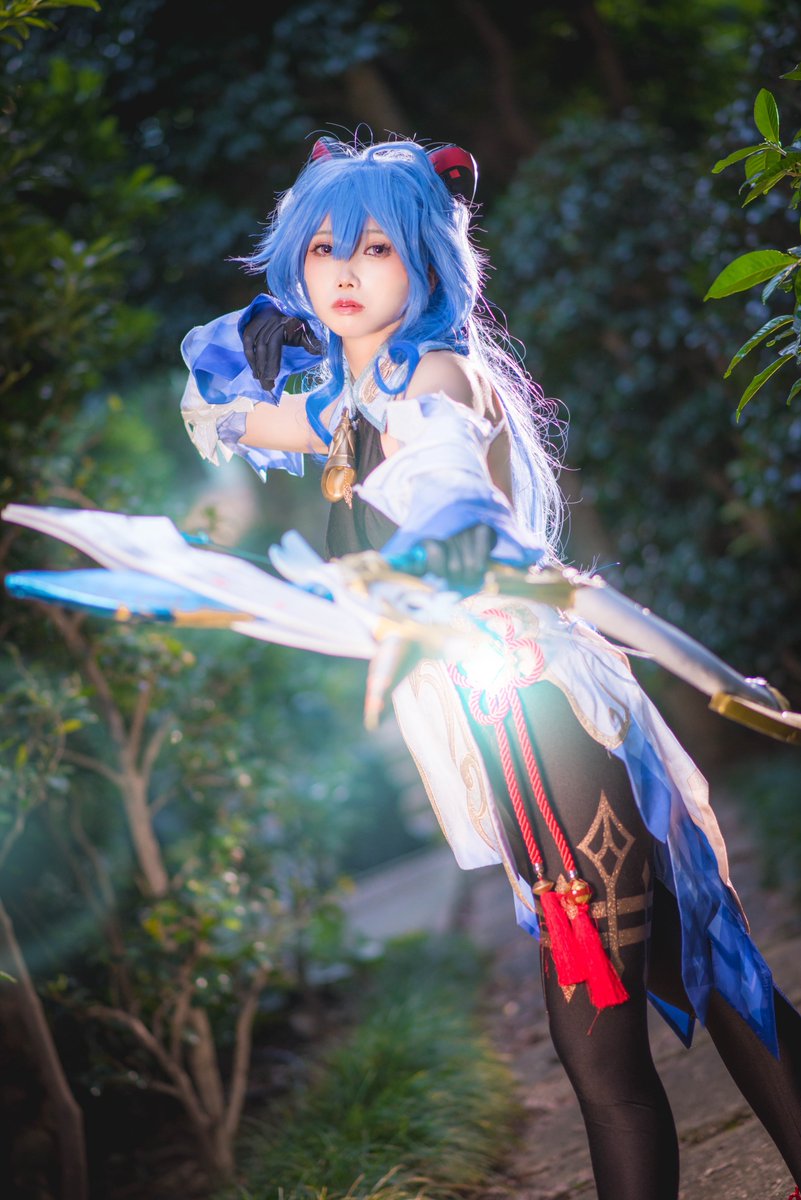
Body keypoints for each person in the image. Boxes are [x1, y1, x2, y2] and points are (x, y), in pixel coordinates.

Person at [179, 135, 801, 1200]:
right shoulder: (350, 400)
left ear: (425, 257)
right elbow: (215, 407)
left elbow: (477, 520)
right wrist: (253, 338)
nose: (342, 270)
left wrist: (712, 676)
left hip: (545, 724)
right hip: (501, 722)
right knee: (700, 966)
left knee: (598, 1051)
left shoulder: (436, 379)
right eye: (321, 248)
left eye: (374, 247)